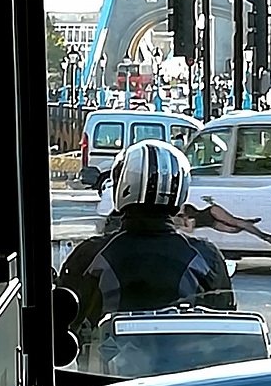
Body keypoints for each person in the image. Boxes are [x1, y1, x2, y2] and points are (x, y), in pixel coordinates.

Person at [57, 139, 236, 336]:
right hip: (189, 365)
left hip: (100, 366)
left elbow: (62, 325)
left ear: (121, 184)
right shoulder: (206, 257)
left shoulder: (90, 255)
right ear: (181, 190)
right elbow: (226, 328)